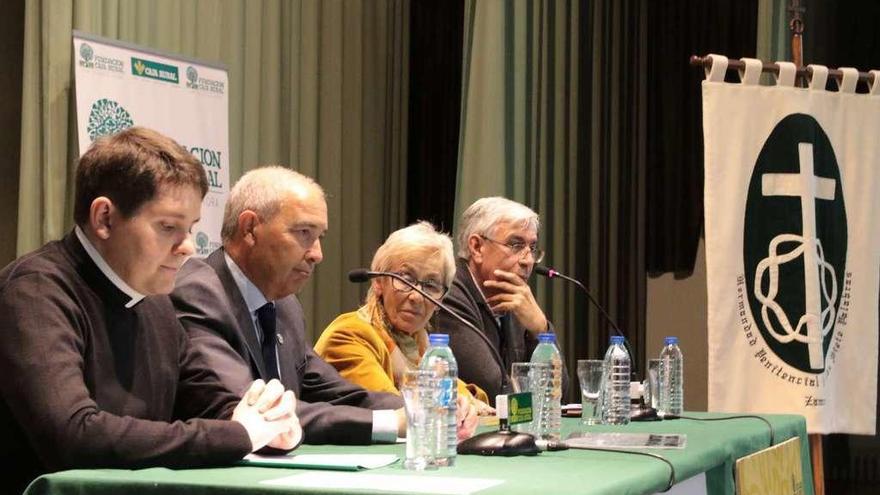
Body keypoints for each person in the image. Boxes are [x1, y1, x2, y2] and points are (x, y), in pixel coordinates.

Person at [0, 127, 300, 493]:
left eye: (189, 228)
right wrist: (236, 435)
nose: (188, 246)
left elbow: (206, 398)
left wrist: (269, 419)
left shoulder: (154, 300)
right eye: (169, 227)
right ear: (105, 219)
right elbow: (75, 434)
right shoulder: (34, 292)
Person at [171, 166, 405, 445]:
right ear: (249, 229)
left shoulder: (285, 306)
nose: (318, 254)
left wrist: (419, 409)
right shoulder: (197, 293)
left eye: (320, 237)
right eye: (304, 232)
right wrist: (391, 422)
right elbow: (254, 410)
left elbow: (341, 393)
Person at [315, 221, 489, 439]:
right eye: (405, 280)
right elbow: (382, 405)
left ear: (440, 299)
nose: (416, 296)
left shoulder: (421, 345)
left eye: (431, 285)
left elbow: (462, 392)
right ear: (379, 282)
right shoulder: (349, 334)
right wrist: (453, 402)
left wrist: (463, 403)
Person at [439, 197, 565, 404]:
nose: (528, 260)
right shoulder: (449, 294)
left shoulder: (515, 299)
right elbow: (493, 390)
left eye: (532, 248)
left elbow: (558, 394)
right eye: (516, 245)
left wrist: (541, 330)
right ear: (477, 247)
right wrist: (538, 402)